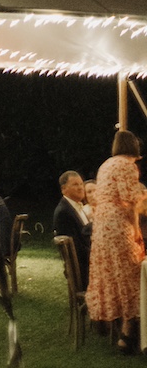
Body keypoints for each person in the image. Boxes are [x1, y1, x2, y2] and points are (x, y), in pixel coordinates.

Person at [87, 129, 147, 349]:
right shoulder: (128, 166)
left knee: (109, 272)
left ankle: (105, 321)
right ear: (134, 149)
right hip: (117, 226)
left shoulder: (106, 165)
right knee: (129, 272)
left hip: (102, 225)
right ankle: (128, 332)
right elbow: (131, 200)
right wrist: (137, 229)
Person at [53, 169, 93, 288]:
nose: (81, 188)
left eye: (81, 184)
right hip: (83, 270)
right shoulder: (64, 212)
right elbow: (76, 249)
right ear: (63, 189)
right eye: (75, 184)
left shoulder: (76, 207)